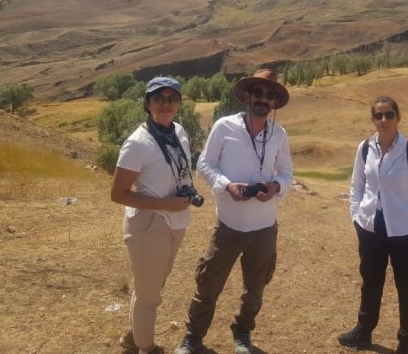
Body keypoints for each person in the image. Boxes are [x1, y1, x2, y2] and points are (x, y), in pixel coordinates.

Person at [174, 68, 293, 354]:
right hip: (228, 225)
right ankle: (193, 337)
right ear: (248, 96)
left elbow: (286, 172)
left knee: (255, 288)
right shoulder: (224, 126)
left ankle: (242, 333)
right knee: (208, 285)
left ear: (275, 102)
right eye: (258, 92)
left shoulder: (279, 134)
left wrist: (276, 186)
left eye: (270, 95)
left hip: (264, 227)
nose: (263, 99)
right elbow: (204, 164)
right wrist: (227, 186)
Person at [338, 95, 408, 354]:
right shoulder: (365, 148)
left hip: (405, 232)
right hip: (371, 229)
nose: (384, 119)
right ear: (373, 119)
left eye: (389, 114)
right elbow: (357, 187)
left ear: (398, 117)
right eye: (378, 115)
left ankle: (406, 341)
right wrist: (357, 218)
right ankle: (363, 332)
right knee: (370, 282)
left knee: (407, 288)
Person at [111, 76, 195, 354]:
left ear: (179, 104)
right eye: (158, 98)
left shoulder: (179, 132)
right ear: (148, 104)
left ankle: (133, 336)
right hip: (148, 225)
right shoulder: (137, 143)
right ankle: (146, 347)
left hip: (176, 221)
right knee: (149, 294)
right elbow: (118, 193)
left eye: (172, 99)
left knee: (153, 284)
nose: (165, 104)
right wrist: (164, 204)